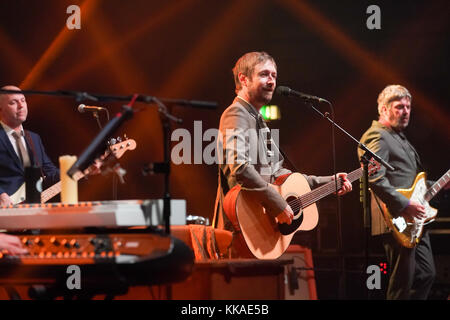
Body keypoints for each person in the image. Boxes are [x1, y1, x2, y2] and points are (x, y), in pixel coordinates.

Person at [213, 51, 352, 257]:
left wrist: (328, 181)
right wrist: (277, 203)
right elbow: (240, 167)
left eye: (274, 76)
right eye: (264, 74)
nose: (271, 81)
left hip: (257, 229)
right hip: (240, 230)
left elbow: (281, 176)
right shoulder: (237, 114)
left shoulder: (256, 118)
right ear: (243, 79)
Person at [358, 84, 440, 299]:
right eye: (399, 107)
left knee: (426, 274)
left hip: (415, 218)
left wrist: (441, 184)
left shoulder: (399, 138)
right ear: (384, 110)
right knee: (402, 283)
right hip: (396, 218)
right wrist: (404, 205)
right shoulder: (376, 136)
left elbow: (409, 181)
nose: (405, 112)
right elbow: (375, 178)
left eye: (408, 107)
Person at [0, 85, 60, 207]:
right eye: (13, 102)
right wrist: (1, 195)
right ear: (1, 108)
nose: (21, 106)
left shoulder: (34, 138)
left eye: (23, 100)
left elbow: (51, 173)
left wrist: (82, 167)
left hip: (33, 210)